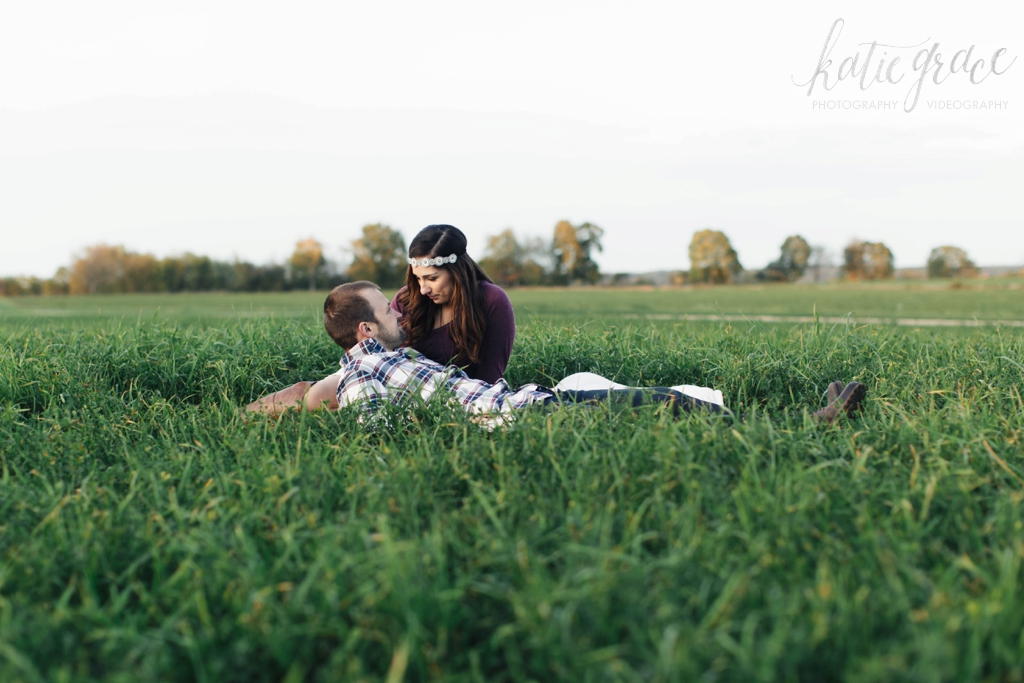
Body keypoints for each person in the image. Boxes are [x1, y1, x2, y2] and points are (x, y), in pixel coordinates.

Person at [246, 282, 868, 425]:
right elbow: (371, 421)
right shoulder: (362, 377)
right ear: (365, 330)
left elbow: (310, 393)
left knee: (665, 403)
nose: (400, 311)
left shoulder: (376, 361)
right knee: (666, 407)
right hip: (523, 417)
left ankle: (791, 420)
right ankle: (809, 425)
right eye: (388, 309)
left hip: (529, 403)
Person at [390, 224, 514, 383]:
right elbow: (385, 360)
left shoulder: (492, 300)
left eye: (432, 278)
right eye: (418, 278)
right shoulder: (405, 300)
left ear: (457, 272)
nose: (423, 289)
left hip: (470, 395)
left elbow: (490, 378)